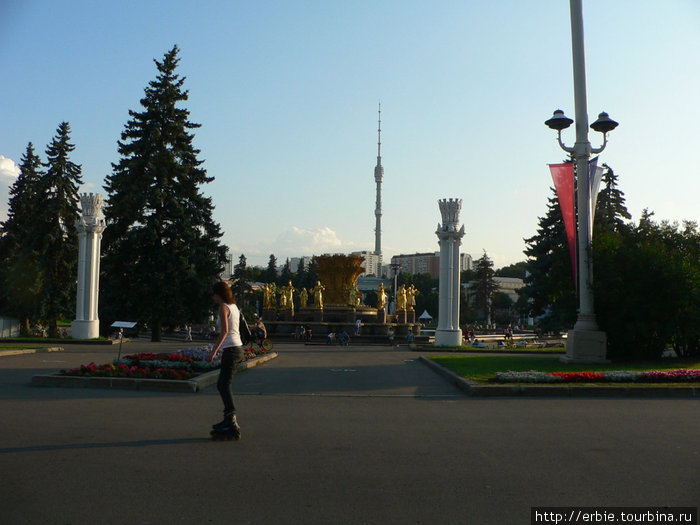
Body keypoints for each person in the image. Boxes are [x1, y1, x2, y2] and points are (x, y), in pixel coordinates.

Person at [208, 281, 244, 440]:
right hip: (237, 348)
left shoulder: (223, 307)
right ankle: (228, 418)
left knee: (223, 384)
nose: (212, 297)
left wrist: (214, 351)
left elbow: (224, 331)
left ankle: (231, 420)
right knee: (224, 383)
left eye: (214, 294)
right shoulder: (234, 307)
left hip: (231, 349)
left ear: (219, 294)